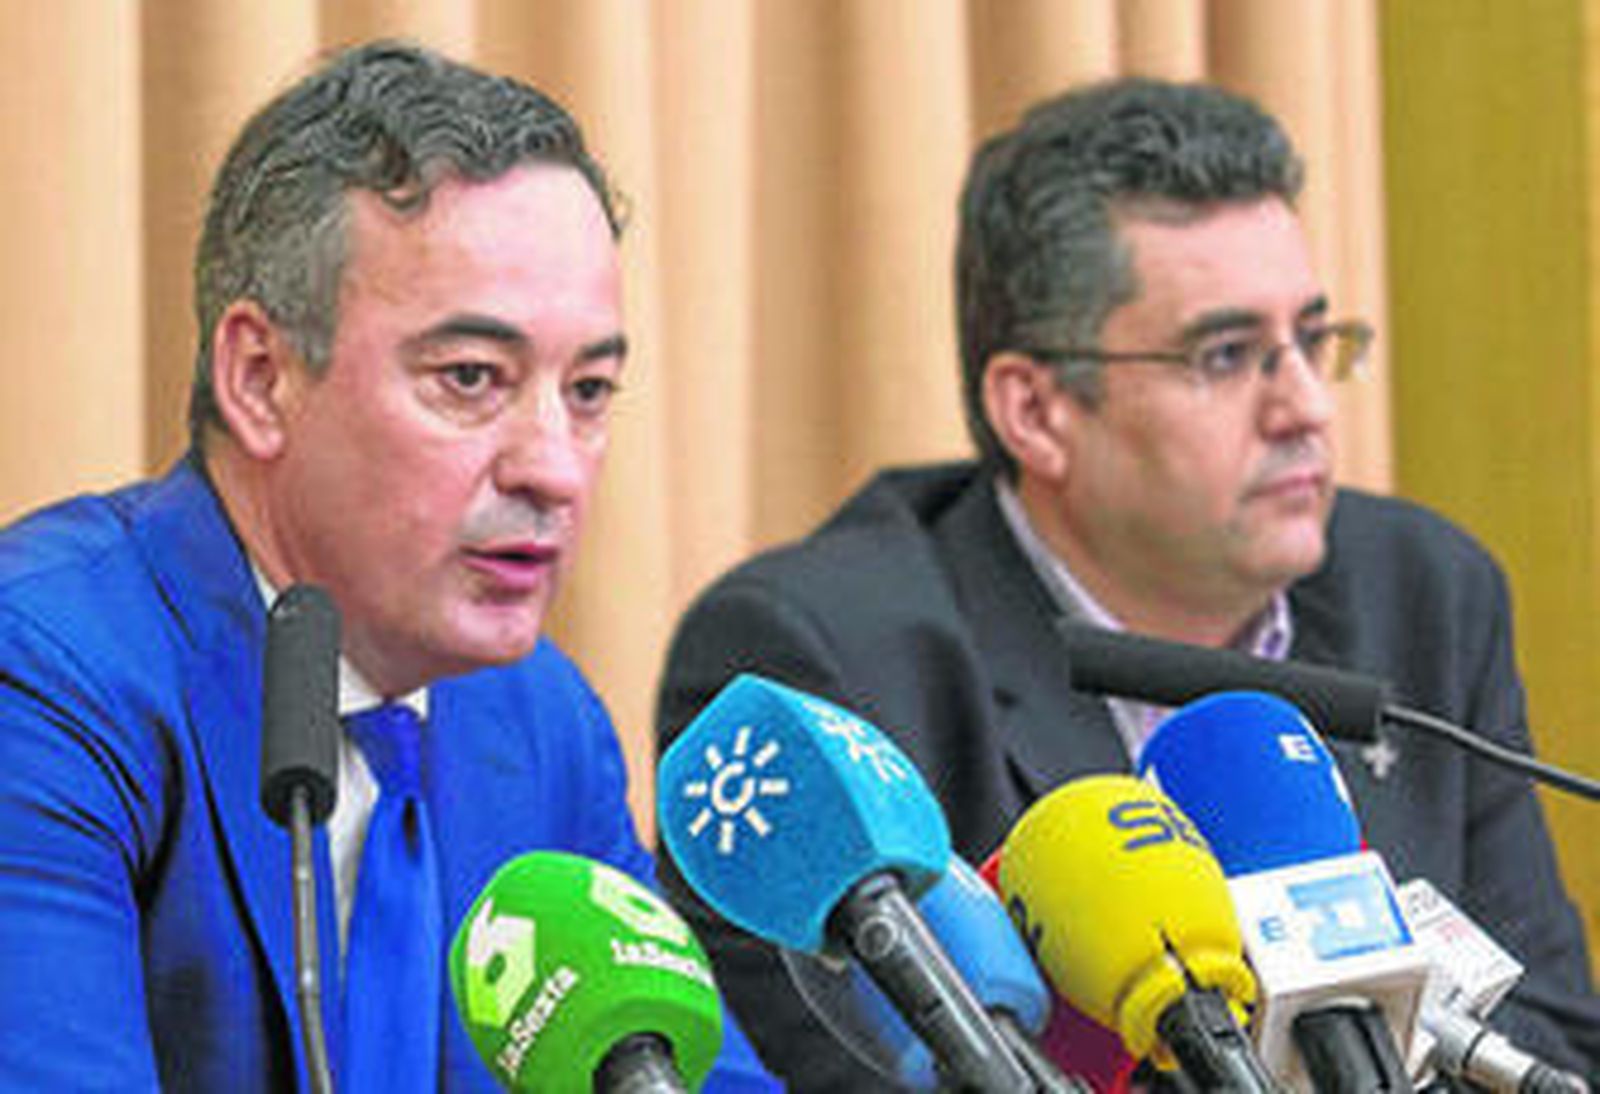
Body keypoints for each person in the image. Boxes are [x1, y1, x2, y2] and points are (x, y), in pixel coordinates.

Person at [656, 77, 1600, 1087]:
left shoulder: (1423, 592)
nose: (1306, 406)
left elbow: (1544, 1032)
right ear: (1036, 410)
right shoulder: (821, 660)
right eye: (1229, 354)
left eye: (1313, 340)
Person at [0, 41, 774, 1091]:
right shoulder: (45, 675)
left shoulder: (540, 724)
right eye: (471, 377)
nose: (554, 466)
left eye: (588, 391)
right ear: (262, 377)